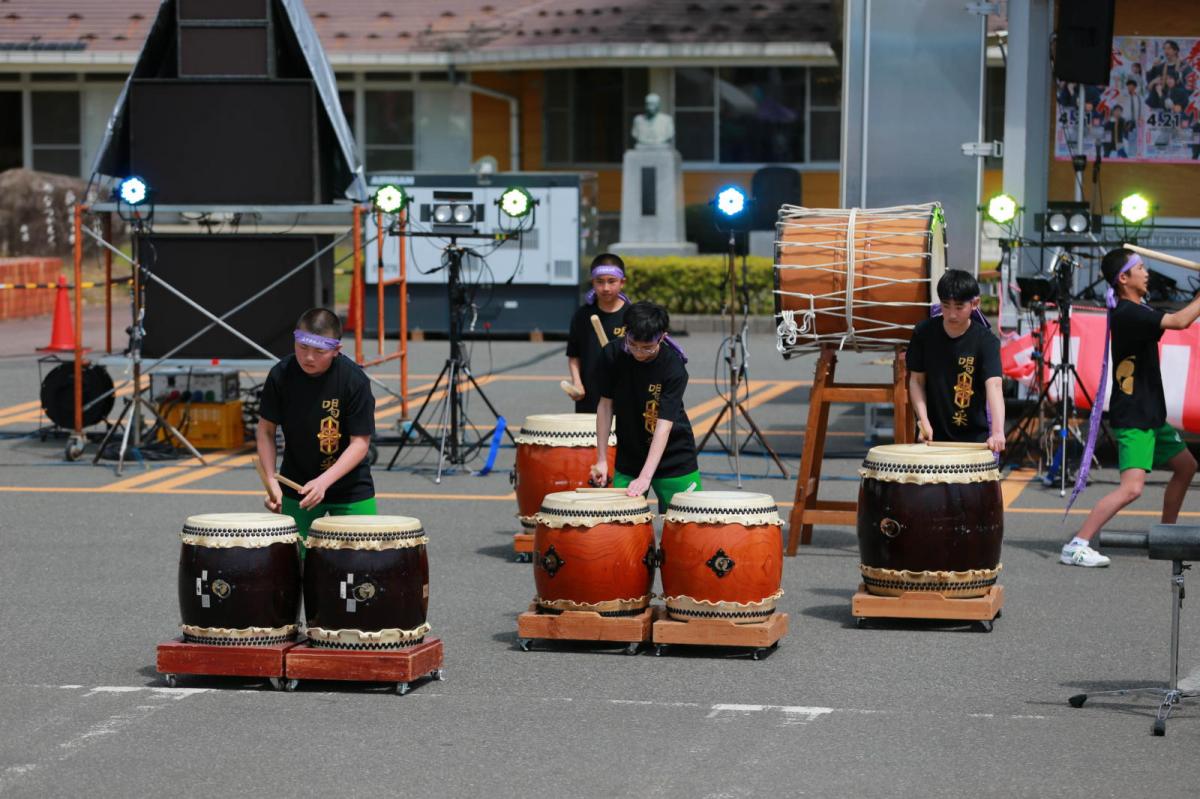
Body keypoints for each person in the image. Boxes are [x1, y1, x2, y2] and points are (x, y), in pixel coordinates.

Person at [1060, 249, 1200, 567]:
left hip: (1150, 415)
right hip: (1135, 419)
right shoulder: (1128, 313)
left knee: (1186, 466)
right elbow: (1180, 321)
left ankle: (1167, 534)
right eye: (1140, 268)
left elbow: (1177, 318)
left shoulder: (1137, 309)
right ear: (1123, 279)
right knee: (1131, 489)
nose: (1147, 272)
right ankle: (1077, 544)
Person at [256, 307, 376, 550]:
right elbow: (266, 431)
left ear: (336, 350)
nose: (308, 357)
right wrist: (272, 483)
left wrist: (323, 482)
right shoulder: (281, 374)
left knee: (361, 561)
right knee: (295, 564)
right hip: (296, 484)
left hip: (350, 486)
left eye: (319, 351)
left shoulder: (354, 380)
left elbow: (360, 444)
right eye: (302, 348)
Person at [590, 301, 702, 512]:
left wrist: (646, 477)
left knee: (686, 524)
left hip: (674, 456)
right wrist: (602, 459)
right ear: (626, 332)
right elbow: (605, 406)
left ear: (662, 337)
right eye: (633, 344)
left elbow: (664, 425)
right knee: (621, 523)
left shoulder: (673, 367)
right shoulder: (612, 355)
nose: (639, 352)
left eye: (648, 347)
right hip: (630, 454)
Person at [906, 269, 1005, 452]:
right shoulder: (924, 333)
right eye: (946, 305)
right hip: (933, 437)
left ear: (975, 303)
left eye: (959, 307)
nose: (952, 314)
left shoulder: (986, 341)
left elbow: (995, 385)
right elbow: (916, 381)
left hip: (974, 440)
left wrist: (998, 431)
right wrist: (923, 421)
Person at [565, 254, 630, 413]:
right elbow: (574, 354)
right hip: (590, 396)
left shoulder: (632, 316)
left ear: (622, 282)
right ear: (592, 282)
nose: (606, 288)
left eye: (611, 281)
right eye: (599, 282)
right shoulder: (582, 315)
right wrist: (577, 383)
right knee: (589, 438)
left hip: (624, 394)